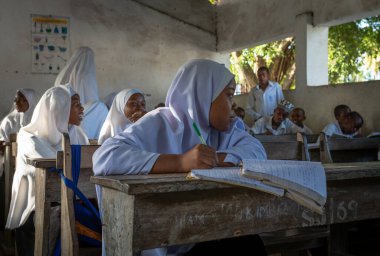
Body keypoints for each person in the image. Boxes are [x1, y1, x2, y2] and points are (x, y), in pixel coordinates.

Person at [93, 59, 267, 255]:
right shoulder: (160, 122)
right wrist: (180, 161)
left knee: (249, 243)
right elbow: (104, 157)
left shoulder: (224, 131)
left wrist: (216, 159)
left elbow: (257, 151)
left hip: (200, 233)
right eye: (228, 95)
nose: (233, 103)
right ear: (203, 96)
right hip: (160, 242)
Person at [5, 85, 89, 256]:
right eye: (75, 103)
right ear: (59, 107)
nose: (82, 108)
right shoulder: (28, 136)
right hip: (35, 205)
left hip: (66, 201)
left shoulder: (76, 133)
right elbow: (55, 164)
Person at [54, 46, 108, 140]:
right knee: (101, 108)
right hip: (78, 118)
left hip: (60, 118)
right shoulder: (87, 75)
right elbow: (92, 101)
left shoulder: (62, 75)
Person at [0, 89, 39, 177]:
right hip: (11, 163)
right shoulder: (9, 121)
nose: (17, 102)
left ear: (32, 102)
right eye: (15, 99)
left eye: (23, 100)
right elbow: (2, 139)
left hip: (34, 162)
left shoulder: (39, 120)